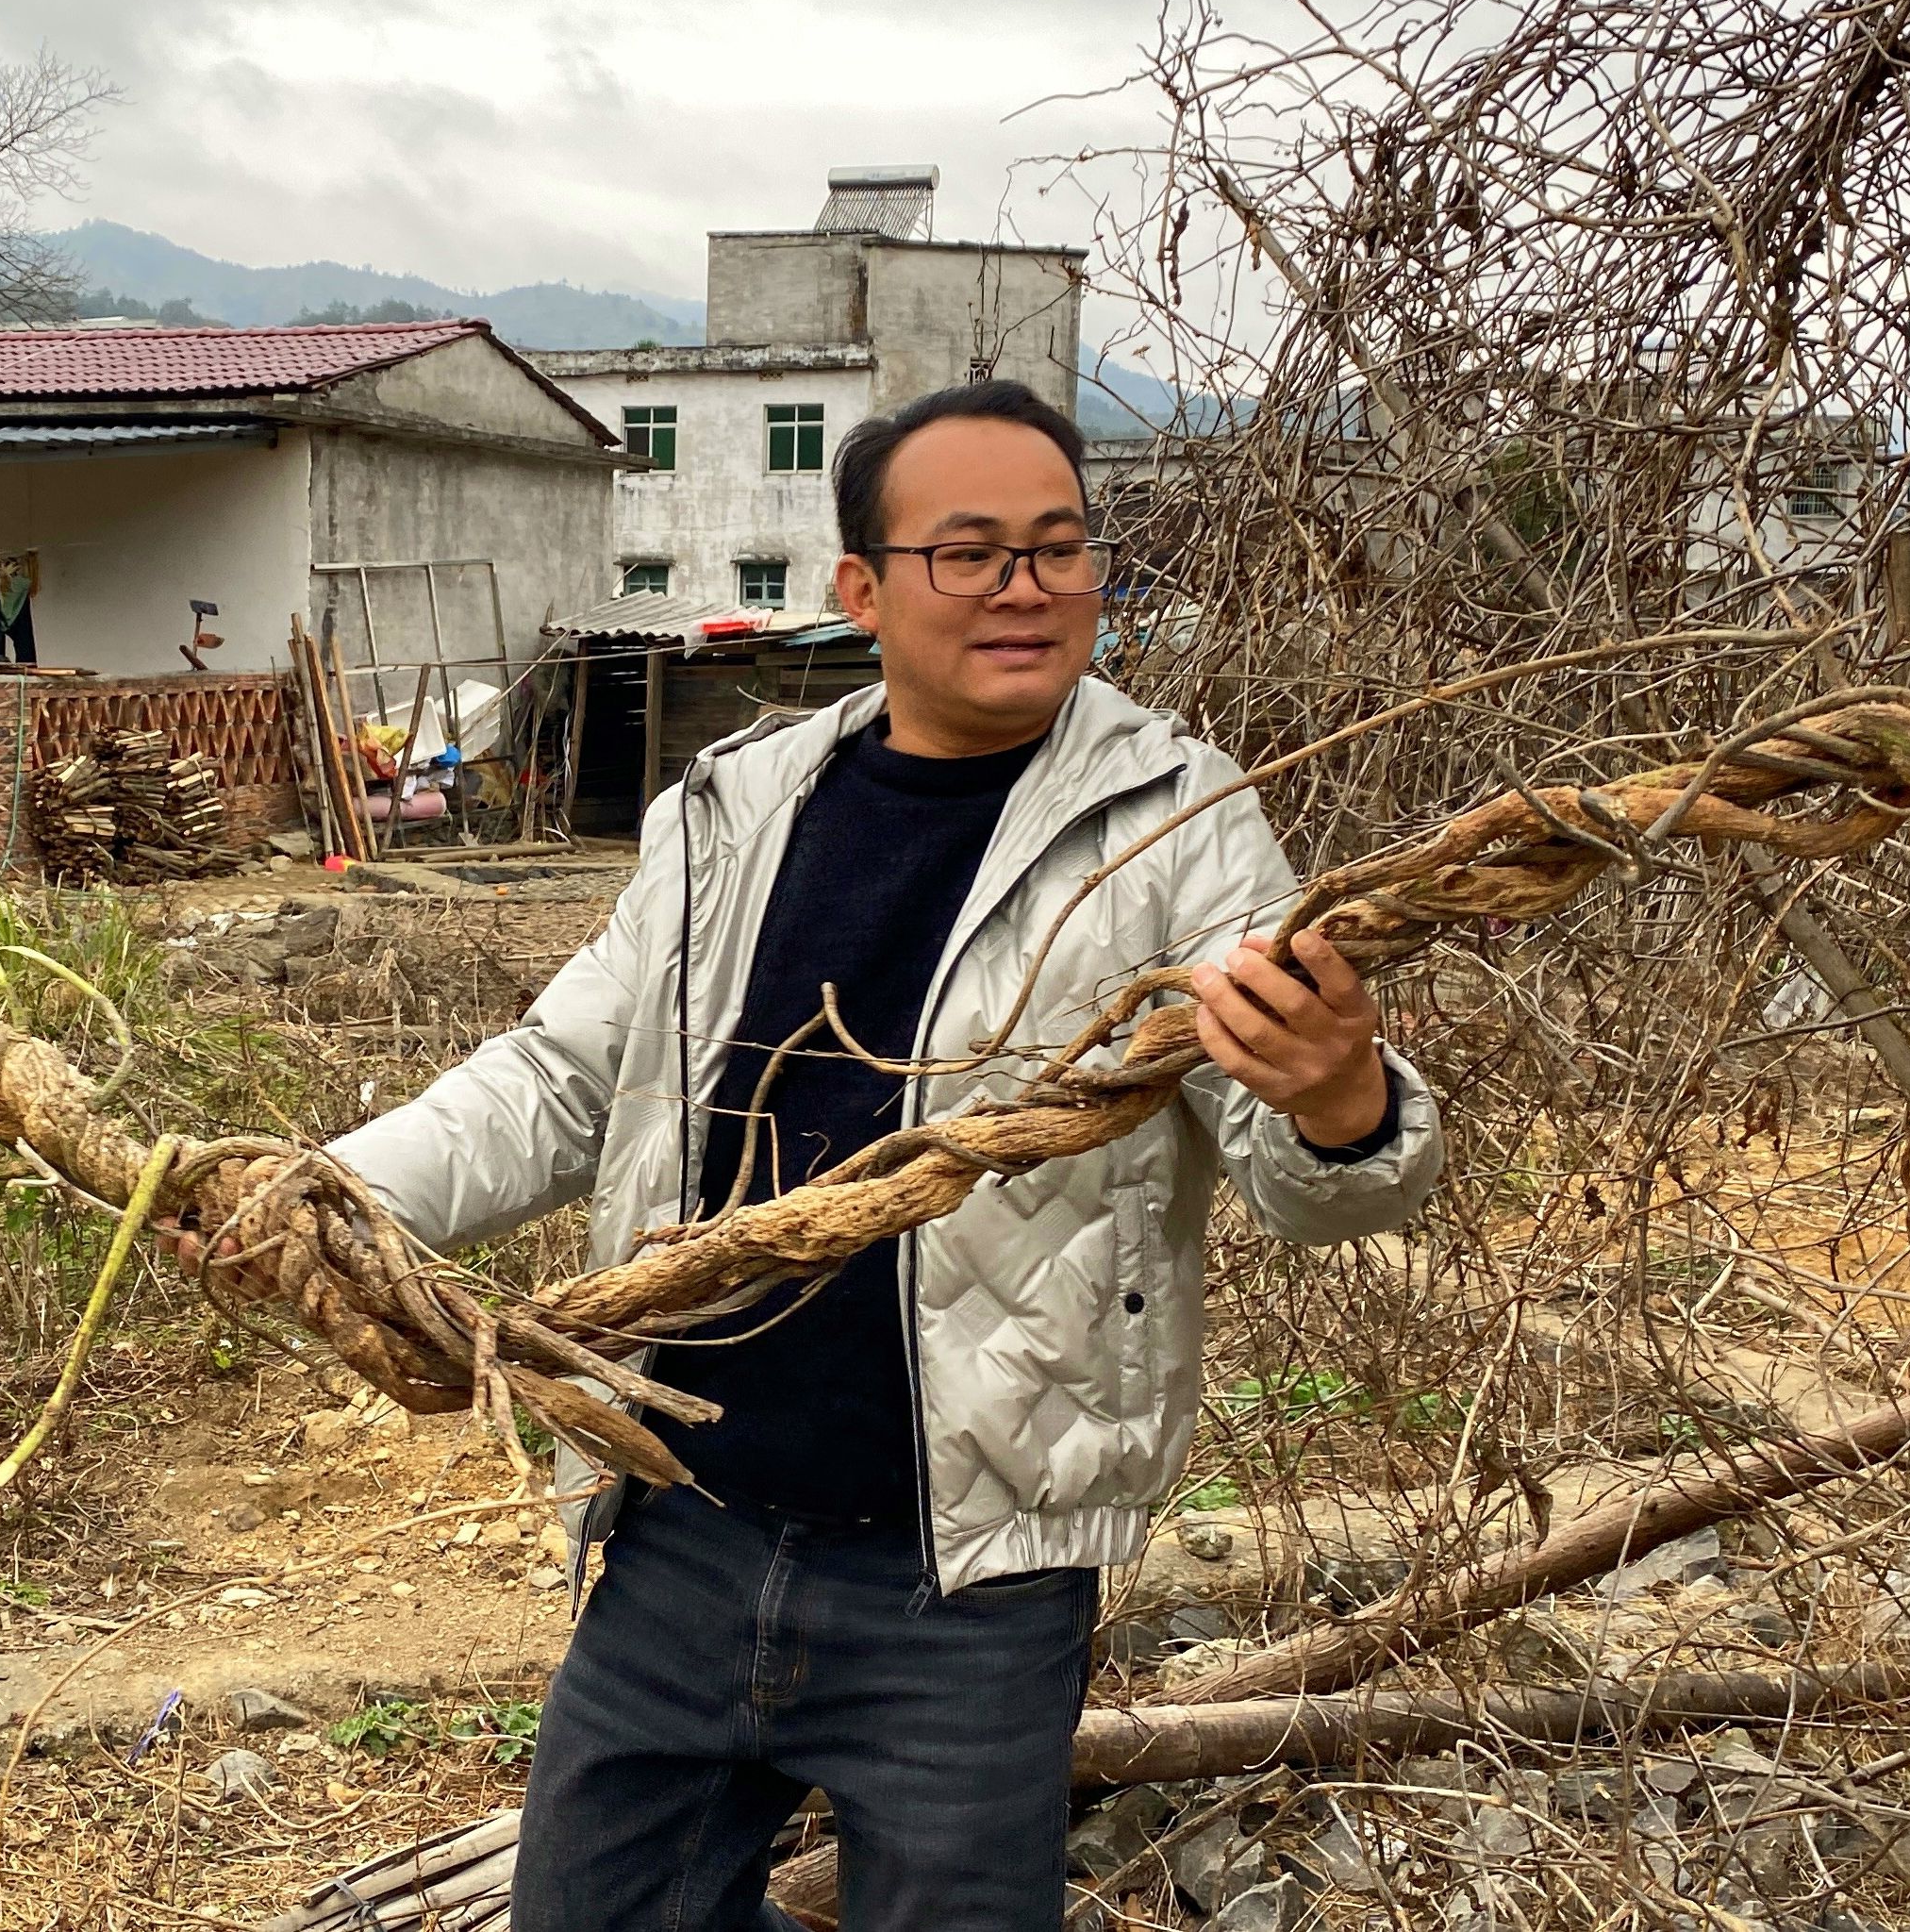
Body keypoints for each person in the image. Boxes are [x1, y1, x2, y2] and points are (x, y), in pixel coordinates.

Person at [319, 379, 1440, 1931]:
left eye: (1061, 548)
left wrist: (1340, 1094)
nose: (1027, 589)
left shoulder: (1179, 825)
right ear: (862, 588)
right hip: (680, 1524)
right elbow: (567, 1080)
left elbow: (1315, 1177)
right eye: (969, 553)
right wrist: (338, 1195)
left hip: (966, 1579)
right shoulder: (735, 806)